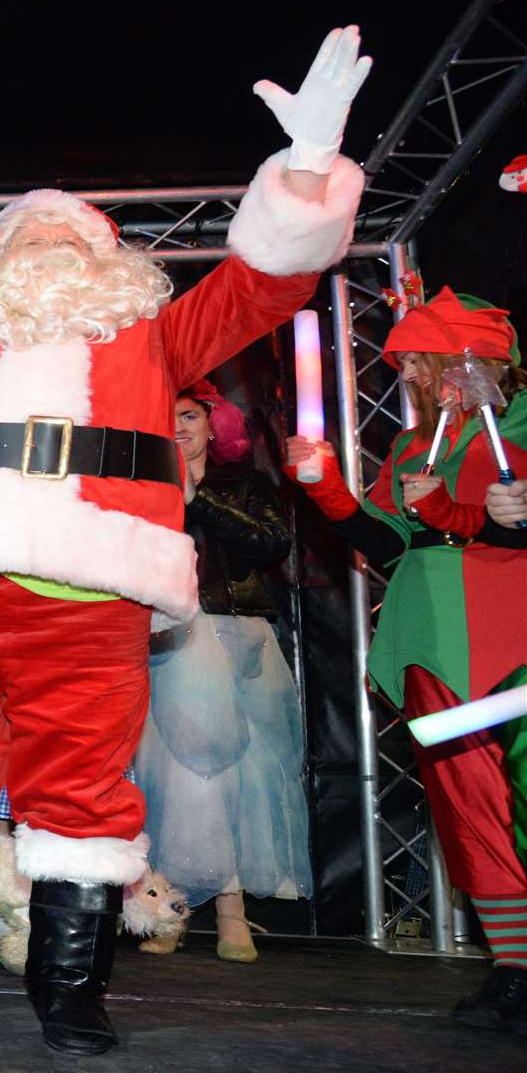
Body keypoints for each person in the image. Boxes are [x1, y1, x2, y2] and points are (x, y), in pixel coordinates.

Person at [0, 29, 367, 1054]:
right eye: (28, 237)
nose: (53, 249)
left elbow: (263, 285)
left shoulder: (157, 337)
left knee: (82, 789)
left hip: (95, 598)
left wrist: (308, 170)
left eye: (76, 239)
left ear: (115, 265)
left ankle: (69, 982)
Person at [286, 287, 527, 1034]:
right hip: (430, 638)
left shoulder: (517, 430)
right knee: (468, 810)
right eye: (415, 363)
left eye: (432, 359)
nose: (420, 375)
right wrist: (325, 485)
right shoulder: (412, 447)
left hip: (513, 631)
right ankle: (516, 966)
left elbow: (498, 532)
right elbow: (391, 543)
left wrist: (489, 519)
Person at [134, 383, 311, 961]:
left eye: (189, 415)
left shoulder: (245, 485)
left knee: (248, 774)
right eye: (167, 418)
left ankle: (233, 910)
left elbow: (270, 544)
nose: (179, 427)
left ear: (216, 424)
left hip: (239, 636)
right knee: (172, 774)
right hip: (167, 637)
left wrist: (197, 498)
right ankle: (170, 910)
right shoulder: (136, 488)